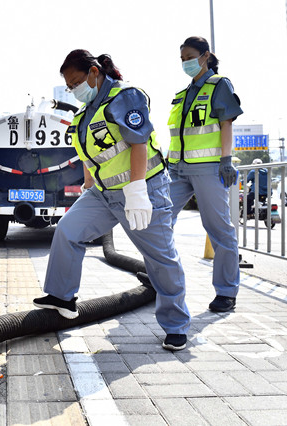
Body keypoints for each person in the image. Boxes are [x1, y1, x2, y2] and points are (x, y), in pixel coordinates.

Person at [33, 50, 191, 351]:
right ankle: (61, 297)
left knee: (160, 259)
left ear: (95, 72)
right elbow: (91, 158)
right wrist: (88, 188)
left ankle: (177, 325)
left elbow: (138, 143)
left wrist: (137, 190)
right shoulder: (85, 113)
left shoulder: (125, 96)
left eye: (77, 81)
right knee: (68, 230)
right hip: (103, 194)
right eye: (69, 87)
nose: (75, 90)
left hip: (143, 190)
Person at [167, 36, 243, 313]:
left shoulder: (218, 85)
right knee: (158, 220)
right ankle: (160, 278)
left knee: (220, 230)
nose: (185, 62)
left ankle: (226, 291)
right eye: (182, 58)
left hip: (209, 168)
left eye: (189, 57)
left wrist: (226, 159)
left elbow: (226, 123)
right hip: (177, 169)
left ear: (205, 56)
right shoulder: (184, 93)